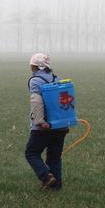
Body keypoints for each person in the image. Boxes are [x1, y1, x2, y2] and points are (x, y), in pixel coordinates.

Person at [25, 53, 67, 189]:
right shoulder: (59, 79)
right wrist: (66, 122)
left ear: (34, 66)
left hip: (44, 126)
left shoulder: (35, 80)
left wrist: (39, 121)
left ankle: (46, 176)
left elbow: (36, 100)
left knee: (31, 153)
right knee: (54, 157)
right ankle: (55, 186)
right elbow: (65, 102)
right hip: (60, 125)